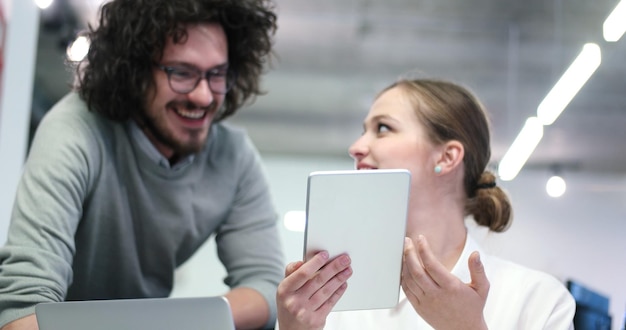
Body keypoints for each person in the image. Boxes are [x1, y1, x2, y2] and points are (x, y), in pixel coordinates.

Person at [0, 0, 284, 329]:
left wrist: (170, 322)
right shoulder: (75, 131)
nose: (204, 96)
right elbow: (22, 313)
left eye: (217, 74)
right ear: (134, 70)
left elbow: (267, 287)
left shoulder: (234, 158)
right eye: (182, 73)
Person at [275, 78, 576, 329]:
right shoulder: (328, 299)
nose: (356, 148)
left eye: (382, 128)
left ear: (446, 157)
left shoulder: (538, 300)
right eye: (363, 130)